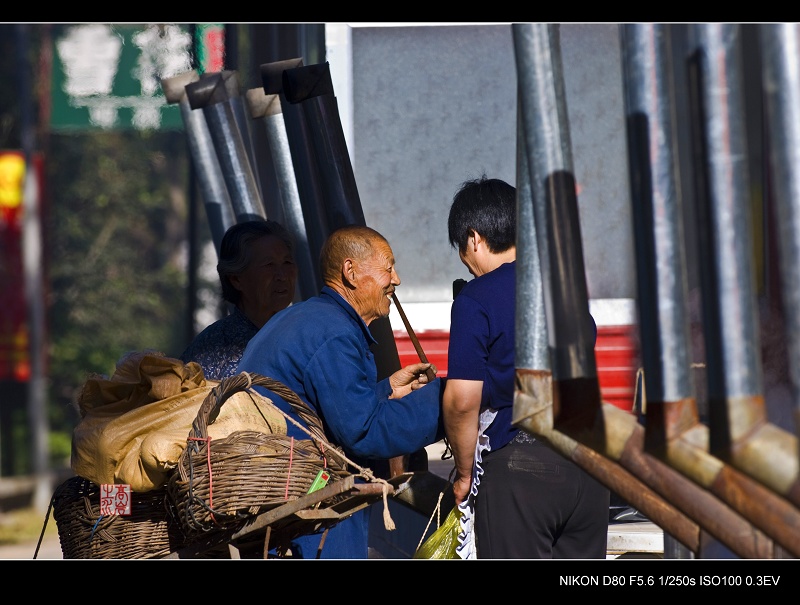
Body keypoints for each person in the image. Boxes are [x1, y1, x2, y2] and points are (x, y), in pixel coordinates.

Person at [237, 224, 443, 559]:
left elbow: (324, 408)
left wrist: (387, 389)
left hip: (281, 492)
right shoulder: (332, 331)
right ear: (350, 271)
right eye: (388, 268)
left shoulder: (311, 317)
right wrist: (446, 400)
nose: (397, 279)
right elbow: (362, 431)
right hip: (303, 502)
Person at [443, 175, 609, 559]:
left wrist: (466, 473)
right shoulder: (562, 287)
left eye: (462, 250)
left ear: (473, 238)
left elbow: (462, 401)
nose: (465, 264)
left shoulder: (475, 299)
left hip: (522, 464)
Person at [179, 219, 298, 380]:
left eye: (287, 262)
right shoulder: (214, 347)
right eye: (269, 265)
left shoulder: (304, 335)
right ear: (236, 279)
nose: (282, 275)